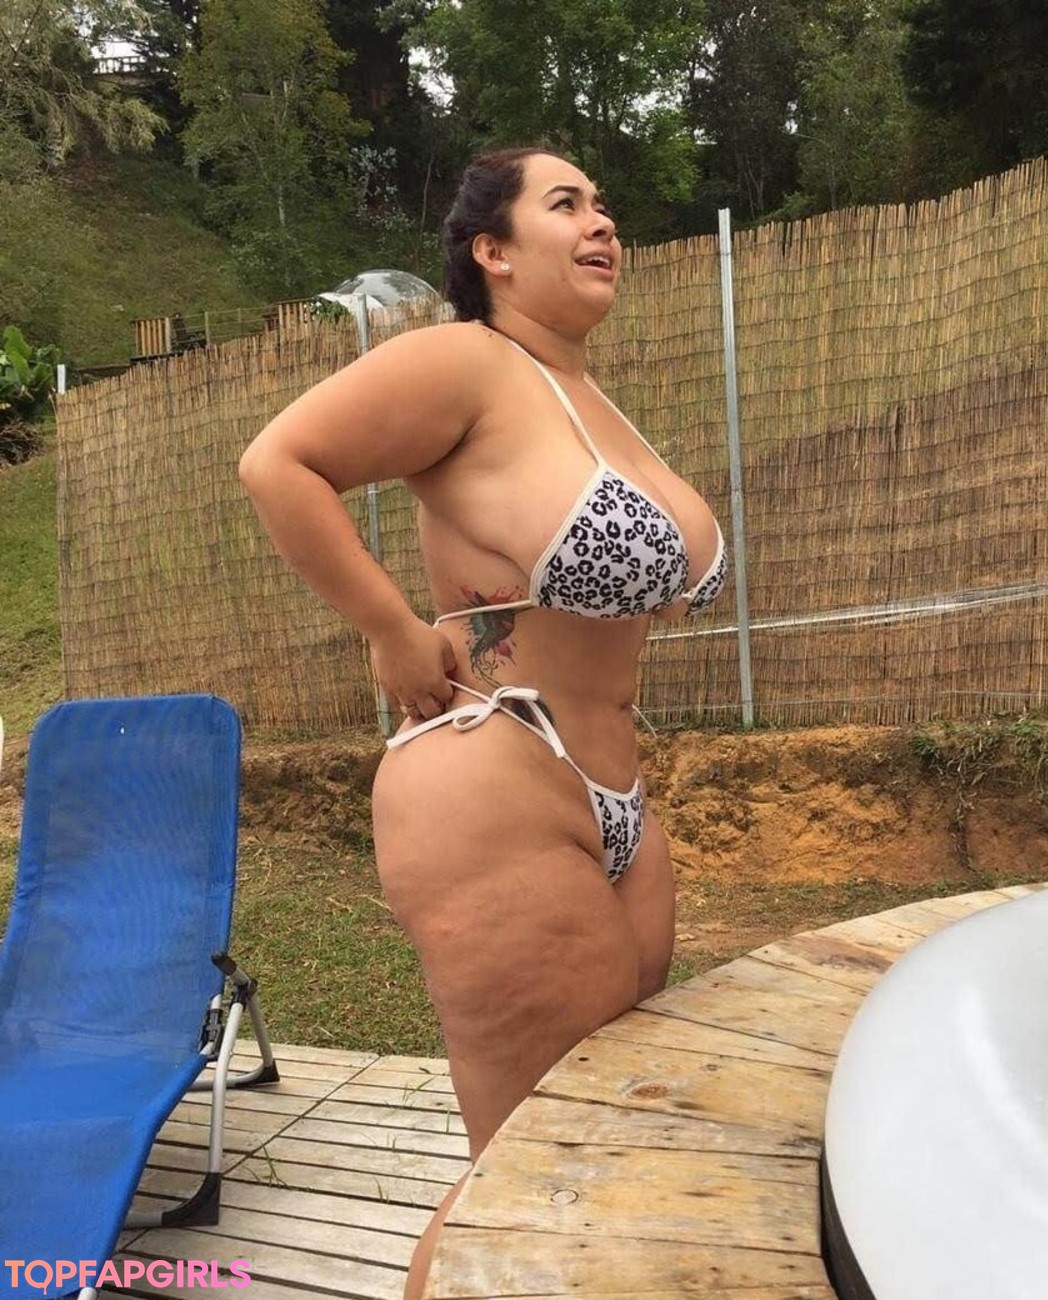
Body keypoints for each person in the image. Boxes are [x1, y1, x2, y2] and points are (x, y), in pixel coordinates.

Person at [238, 146, 727, 1298]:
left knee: (604, 1147)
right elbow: (279, 462)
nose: (601, 223)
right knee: (529, 1175)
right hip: (498, 787)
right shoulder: (464, 360)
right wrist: (390, 628)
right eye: (567, 204)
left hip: (616, 803)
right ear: (492, 251)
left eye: (604, 206)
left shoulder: (591, 400)